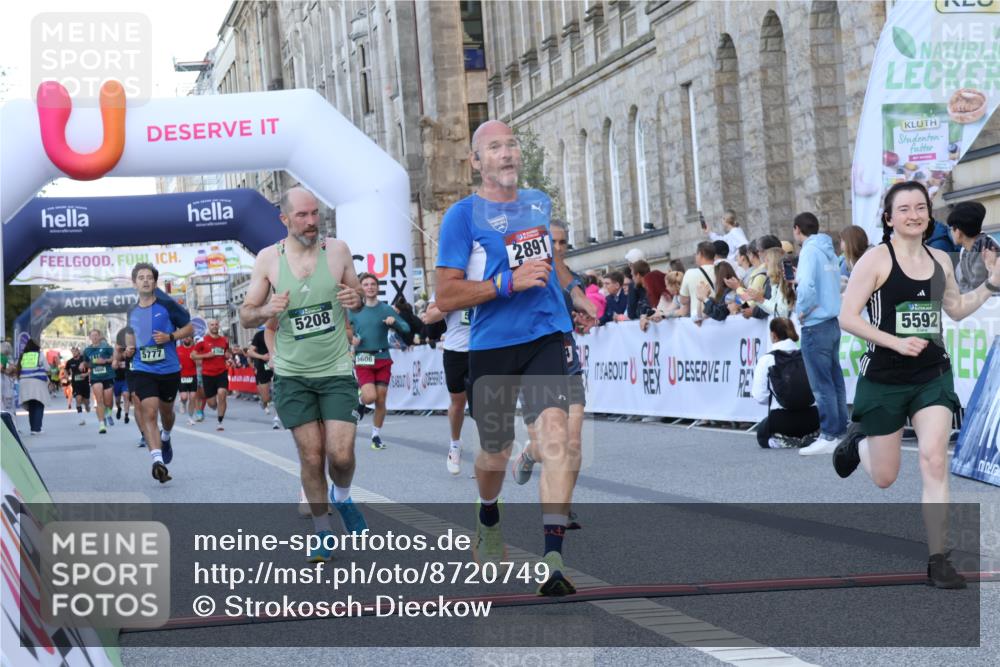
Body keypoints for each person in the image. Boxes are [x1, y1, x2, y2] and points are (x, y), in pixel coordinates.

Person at [435, 119, 577, 596]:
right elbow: (446, 295)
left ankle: (553, 558)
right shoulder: (462, 217)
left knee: (556, 438)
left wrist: (574, 295)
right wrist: (505, 284)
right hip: (492, 344)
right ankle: (488, 513)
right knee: (495, 452)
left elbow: (550, 264)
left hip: (544, 334)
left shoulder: (539, 202)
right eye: (494, 147)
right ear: (476, 162)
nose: (508, 152)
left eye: (511, 144)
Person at [834, 181, 1000, 589]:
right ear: (889, 218)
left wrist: (991, 285)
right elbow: (847, 317)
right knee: (885, 476)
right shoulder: (875, 259)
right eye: (904, 209)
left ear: (929, 214)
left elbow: (956, 310)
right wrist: (895, 341)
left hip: (932, 374)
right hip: (884, 376)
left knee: (934, 460)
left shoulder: (941, 259)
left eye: (921, 207)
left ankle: (938, 559)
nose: (914, 215)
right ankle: (858, 442)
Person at [239, 186, 368, 563]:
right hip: (293, 376)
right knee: (311, 457)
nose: (312, 222)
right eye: (302, 215)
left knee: (340, 455)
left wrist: (356, 299)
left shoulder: (338, 251)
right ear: (285, 219)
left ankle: (342, 498)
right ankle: (322, 532)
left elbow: (358, 296)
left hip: (336, 369)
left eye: (315, 214)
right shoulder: (269, 259)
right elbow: (246, 314)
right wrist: (266, 311)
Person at [512, 218, 596, 532]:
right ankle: (529, 454)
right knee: (547, 447)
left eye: (563, 243)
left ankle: (562, 507)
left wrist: (582, 320)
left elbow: (573, 318)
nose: (558, 248)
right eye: (553, 242)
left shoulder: (573, 280)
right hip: (534, 367)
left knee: (573, 442)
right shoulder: (527, 273)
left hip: (568, 364)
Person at [125, 264, 194, 483]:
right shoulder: (131, 311)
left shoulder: (168, 305)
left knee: (167, 413)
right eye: (141, 277)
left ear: (155, 283)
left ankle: (166, 436)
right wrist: (129, 348)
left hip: (169, 369)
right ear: (134, 283)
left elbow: (190, 328)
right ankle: (157, 461)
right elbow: (131, 335)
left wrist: (170, 337)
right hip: (143, 369)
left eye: (149, 278)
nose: (145, 281)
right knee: (149, 411)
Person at [792, 212, 848, 456]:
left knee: (821, 383)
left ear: (797, 229)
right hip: (832, 321)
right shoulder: (829, 251)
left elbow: (805, 285)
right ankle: (839, 431)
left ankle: (829, 434)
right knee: (835, 380)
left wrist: (801, 310)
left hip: (815, 322)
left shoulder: (809, 251)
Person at [348, 272, 411, 450]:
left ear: (378, 287)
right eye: (366, 284)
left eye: (373, 284)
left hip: (383, 358)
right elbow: (346, 331)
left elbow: (406, 327)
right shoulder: (354, 311)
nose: (370, 287)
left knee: (381, 400)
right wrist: (352, 339)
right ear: (361, 288)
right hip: (364, 358)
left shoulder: (385, 309)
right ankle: (361, 402)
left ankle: (375, 435)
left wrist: (394, 323)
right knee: (370, 397)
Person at [751, 318, 820, 449]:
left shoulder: (767, 359)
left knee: (762, 433)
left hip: (781, 420)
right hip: (812, 418)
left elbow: (760, 396)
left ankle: (781, 440)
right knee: (807, 423)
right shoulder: (808, 356)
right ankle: (808, 437)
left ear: (773, 335)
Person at [422, 292, 471, 475]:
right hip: (455, 351)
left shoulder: (486, 279)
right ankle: (455, 445)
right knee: (458, 403)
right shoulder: (447, 285)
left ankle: (486, 456)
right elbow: (429, 317)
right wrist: (457, 300)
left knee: (483, 405)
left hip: (482, 348)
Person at [947, 201, 1000, 294]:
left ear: (958, 232)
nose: (950, 232)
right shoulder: (966, 250)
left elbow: (976, 291)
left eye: (951, 229)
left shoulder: (985, 249)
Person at [192, 319, 232, 431]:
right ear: (208, 327)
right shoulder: (202, 340)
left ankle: (220, 421)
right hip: (208, 374)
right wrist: (206, 355)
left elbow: (227, 352)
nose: (214, 326)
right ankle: (215, 406)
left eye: (216, 324)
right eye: (212, 325)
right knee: (212, 403)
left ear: (219, 326)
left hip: (222, 372)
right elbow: (193, 355)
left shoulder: (224, 340)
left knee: (222, 393)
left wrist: (227, 355)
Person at [246, 326, 282, 429]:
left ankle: (276, 418)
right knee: (266, 398)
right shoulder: (259, 335)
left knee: (277, 391)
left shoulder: (282, 333)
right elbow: (250, 352)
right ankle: (264, 401)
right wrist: (262, 357)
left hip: (278, 365)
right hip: (263, 366)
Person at [82, 329, 115, 433]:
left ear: (99, 336)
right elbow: (86, 362)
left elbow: (114, 358)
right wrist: (84, 365)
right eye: (92, 336)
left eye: (96, 335)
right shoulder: (87, 350)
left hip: (108, 376)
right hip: (95, 377)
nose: (95, 337)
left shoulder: (106, 347)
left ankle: (108, 412)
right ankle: (101, 424)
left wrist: (105, 361)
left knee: (108, 401)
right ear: (90, 338)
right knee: (99, 400)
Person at [16, 340, 50, 435]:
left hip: (24, 382)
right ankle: (37, 429)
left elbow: (19, 368)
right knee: (39, 404)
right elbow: (47, 368)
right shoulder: (40, 354)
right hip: (37, 382)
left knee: (31, 406)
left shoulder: (23, 355)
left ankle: (33, 428)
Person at [678, 241, 717, 320]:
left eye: (696, 254)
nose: (695, 257)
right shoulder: (723, 270)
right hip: (720, 316)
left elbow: (683, 300)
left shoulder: (689, 273)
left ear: (700, 254)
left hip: (699, 319)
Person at [176, 335, 200, 426]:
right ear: (182, 339)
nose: (186, 338)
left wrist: (195, 360)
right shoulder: (178, 349)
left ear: (191, 338)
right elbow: (174, 361)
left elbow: (199, 363)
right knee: (184, 397)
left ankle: (190, 418)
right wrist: (177, 365)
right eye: (185, 337)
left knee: (192, 397)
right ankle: (182, 402)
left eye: (188, 337)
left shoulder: (195, 350)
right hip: (182, 376)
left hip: (193, 375)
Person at [112, 327, 133, 424]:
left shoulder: (131, 347)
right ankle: (119, 408)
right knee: (117, 400)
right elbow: (113, 365)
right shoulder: (117, 349)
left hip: (126, 379)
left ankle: (126, 415)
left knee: (125, 395)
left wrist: (126, 364)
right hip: (117, 379)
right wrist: (116, 364)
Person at [65, 347, 91, 425]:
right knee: (78, 399)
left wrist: (86, 374)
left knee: (86, 402)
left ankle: (87, 405)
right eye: (72, 352)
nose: (73, 353)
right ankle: (81, 419)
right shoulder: (70, 361)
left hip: (85, 383)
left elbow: (91, 368)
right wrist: (67, 377)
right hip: (75, 384)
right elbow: (65, 369)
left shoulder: (84, 359)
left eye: (75, 351)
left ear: (78, 351)